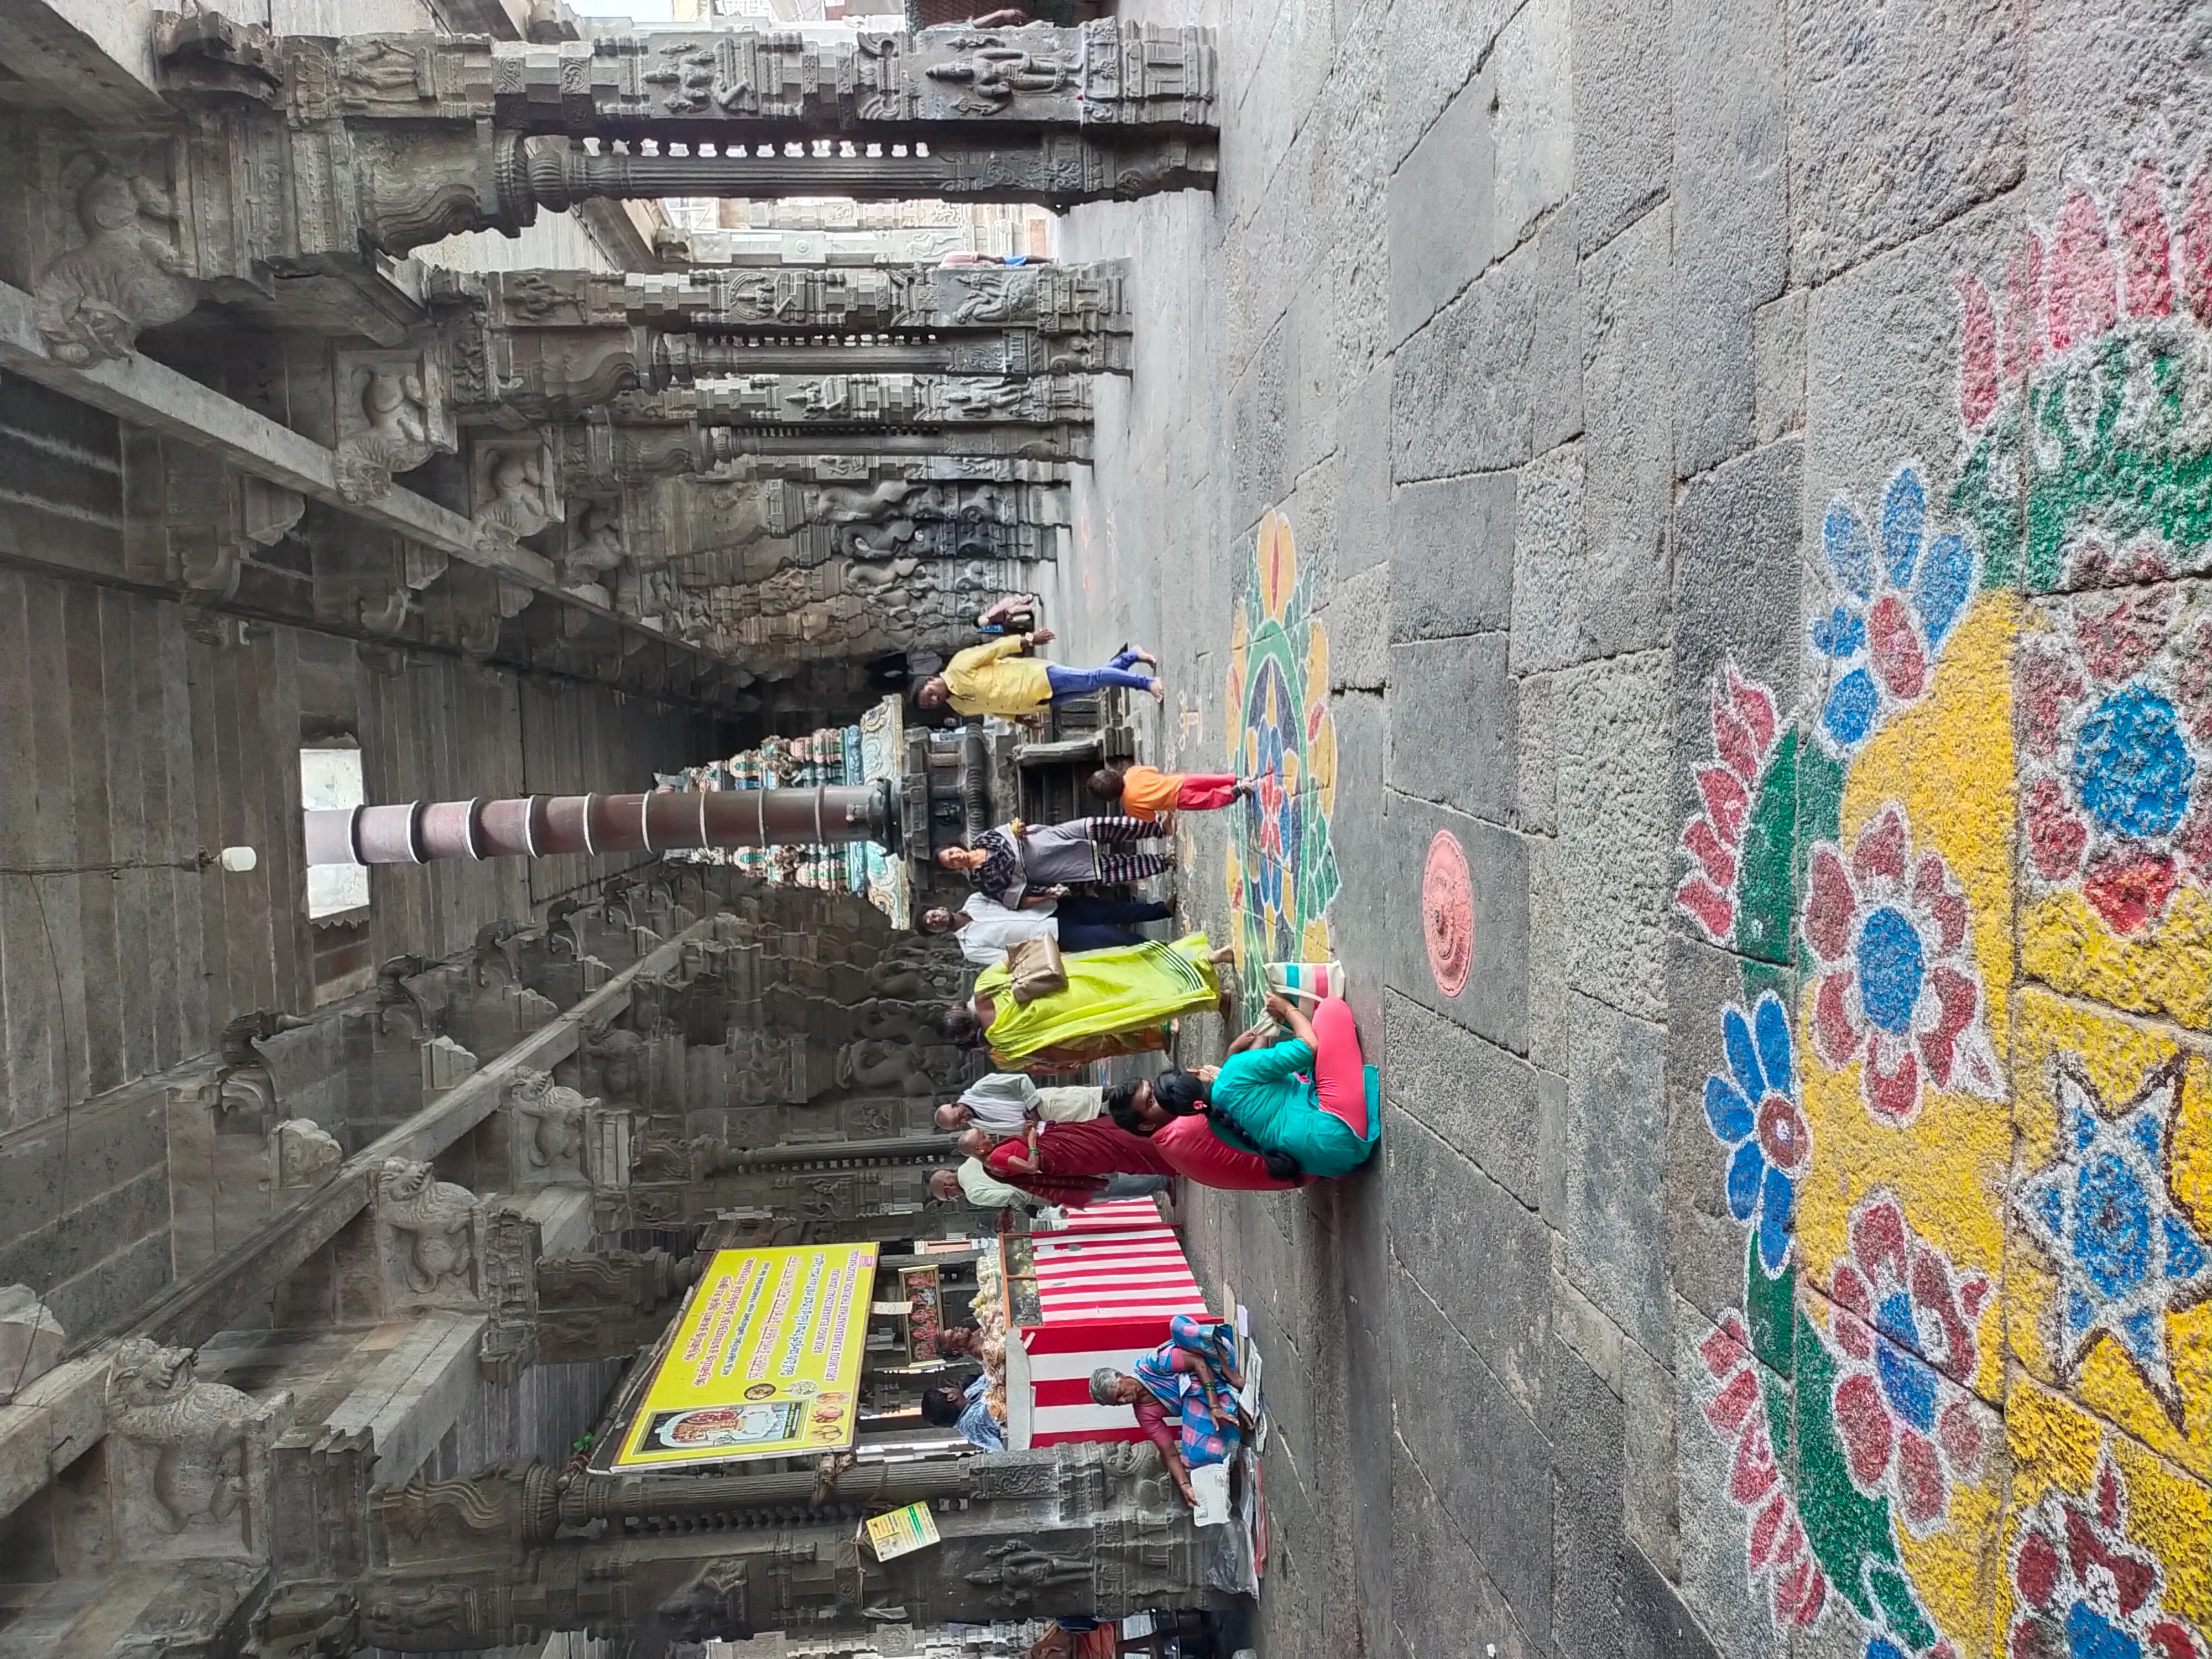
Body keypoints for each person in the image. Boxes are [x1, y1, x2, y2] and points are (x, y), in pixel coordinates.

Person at [1150, 992, 1377, 1179]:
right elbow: (1309, 1048)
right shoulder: (1234, 1072)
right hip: (1341, 1129)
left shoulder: (1219, 1127)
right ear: (1192, 1071)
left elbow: (1249, 1092)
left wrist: (1236, 1055)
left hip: (1336, 1165)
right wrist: (1287, 1008)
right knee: (1330, 1010)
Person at [940, 935, 1235, 1071]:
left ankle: (1215, 999)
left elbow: (1051, 1054)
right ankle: (1210, 956)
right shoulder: (983, 987)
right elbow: (1017, 956)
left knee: (1146, 1004)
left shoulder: (1001, 1041)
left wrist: (1080, 1054)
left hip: (1085, 1012)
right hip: (1074, 976)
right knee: (1137, 966)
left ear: (966, 1035)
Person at [1087, 1316, 1248, 1507]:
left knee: (1178, 1326)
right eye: (1118, 1403)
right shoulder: (1145, 1416)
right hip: (1200, 1403)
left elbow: (1197, 1362)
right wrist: (1184, 1485)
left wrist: (1214, 1406)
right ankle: (1232, 1407)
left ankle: (1233, 1380)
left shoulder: (1151, 1364)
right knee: (1193, 1456)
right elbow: (1169, 1452)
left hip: (1213, 1368)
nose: (1124, 1400)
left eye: (1121, 1393)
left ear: (1122, 1376)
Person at [1104, 1078, 1307, 1192]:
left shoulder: (1167, 1143)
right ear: (1147, 1124)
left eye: (1153, 1090)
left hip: (1296, 1166)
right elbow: (1243, 1088)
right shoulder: (1187, 1128)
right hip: (1306, 1154)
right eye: (1151, 1102)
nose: (1160, 1095)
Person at [914, 629, 1165, 717]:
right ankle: (1132, 656)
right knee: (1093, 685)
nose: (935, 700)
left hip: (1036, 677)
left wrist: (1029, 639)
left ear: (930, 680)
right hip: (1034, 702)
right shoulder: (959, 707)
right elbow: (991, 709)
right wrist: (1020, 719)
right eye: (931, 704)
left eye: (931, 694)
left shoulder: (959, 666)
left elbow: (995, 649)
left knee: (1092, 678)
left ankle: (1146, 683)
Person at [936, 817, 1175, 910]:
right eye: (951, 863)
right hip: (1050, 868)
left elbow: (1011, 829)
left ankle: (1156, 829)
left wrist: (1017, 828)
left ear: (955, 846)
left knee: (1098, 826)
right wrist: (1048, 896)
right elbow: (1015, 901)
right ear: (955, 870)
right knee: (1109, 869)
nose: (955, 857)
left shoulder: (982, 838)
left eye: (951, 853)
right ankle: (1162, 862)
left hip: (1047, 838)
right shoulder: (982, 881)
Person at [920, 889, 1174, 964]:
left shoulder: (975, 900)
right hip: (1052, 937)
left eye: (932, 915)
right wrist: (1051, 957)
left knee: (1110, 910)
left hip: (1053, 908)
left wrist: (1047, 894)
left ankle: (1162, 909)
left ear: (940, 908)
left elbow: (1013, 897)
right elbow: (1011, 958)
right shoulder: (971, 948)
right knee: (1111, 937)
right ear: (937, 933)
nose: (935, 920)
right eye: (932, 926)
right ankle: (1166, 953)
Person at [956, 1120, 1171, 1208]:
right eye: (983, 1137)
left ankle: (1159, 1165)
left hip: (1057, 1154)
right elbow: (1030, 1166)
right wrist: (1032, 1141)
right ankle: (1162, 1162)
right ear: (979, 1149)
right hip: (1058, 1156)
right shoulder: (996, 1159)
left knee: (1110, 1152)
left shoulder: (992, 1162)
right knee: (1110, 1150)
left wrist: (1026, 1137)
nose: (988, 1137)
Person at [1086, 763, 1255, 822]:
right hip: (1179, 780)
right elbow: (1153, 770)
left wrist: (1166, 813)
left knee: (1209, 799)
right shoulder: (1132, 773)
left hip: (1178, 800)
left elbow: (1151, 818)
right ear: (1114, 773)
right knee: (1211, 780)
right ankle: (1237, 779)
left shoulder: (1130, 807)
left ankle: (1238, 790)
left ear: (1111, 799)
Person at [935, 1081, 1104, 1136]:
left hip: (1045, 1104)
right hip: (1048, 1126)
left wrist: (1033, 1110)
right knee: (1100, 1120)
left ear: (955, 1104)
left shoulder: (980, 1089)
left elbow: (1020, 1080)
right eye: (960, 1123)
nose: (964, 1118)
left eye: (959, 1114)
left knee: (1099, 1098)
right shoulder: (977, 1126)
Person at [920, 1374, 1004, 1452]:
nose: (949, 1387)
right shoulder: (973, 1424)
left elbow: (991, 1374)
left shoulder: (967, 1395)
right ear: (951, 1397)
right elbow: (1002, 1398)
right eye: (945, 1389)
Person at [929, 1161, 1038, 1214]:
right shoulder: (972, 1160)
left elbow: (1010, 1196)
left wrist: (1025, 1208)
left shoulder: (973, 1195)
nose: (955, 1200)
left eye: (950, 1198)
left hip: (1034, 1192)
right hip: (1032, 1165)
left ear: (948, 1188)